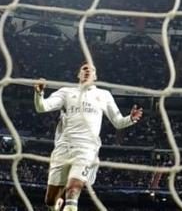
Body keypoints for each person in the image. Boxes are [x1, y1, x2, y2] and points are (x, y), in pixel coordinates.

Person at [35, 63, 143, 211]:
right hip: (63, 148)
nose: (87, 71)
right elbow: (42, 107)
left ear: (95, 76)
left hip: (87, 149)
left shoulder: (104, 95)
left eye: (91, 70)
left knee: (73, 190)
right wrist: (39, 94)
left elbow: (118, 122)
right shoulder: (66, 92)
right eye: (84, 69)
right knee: (50, 201)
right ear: (79, 75)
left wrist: (130, 119)